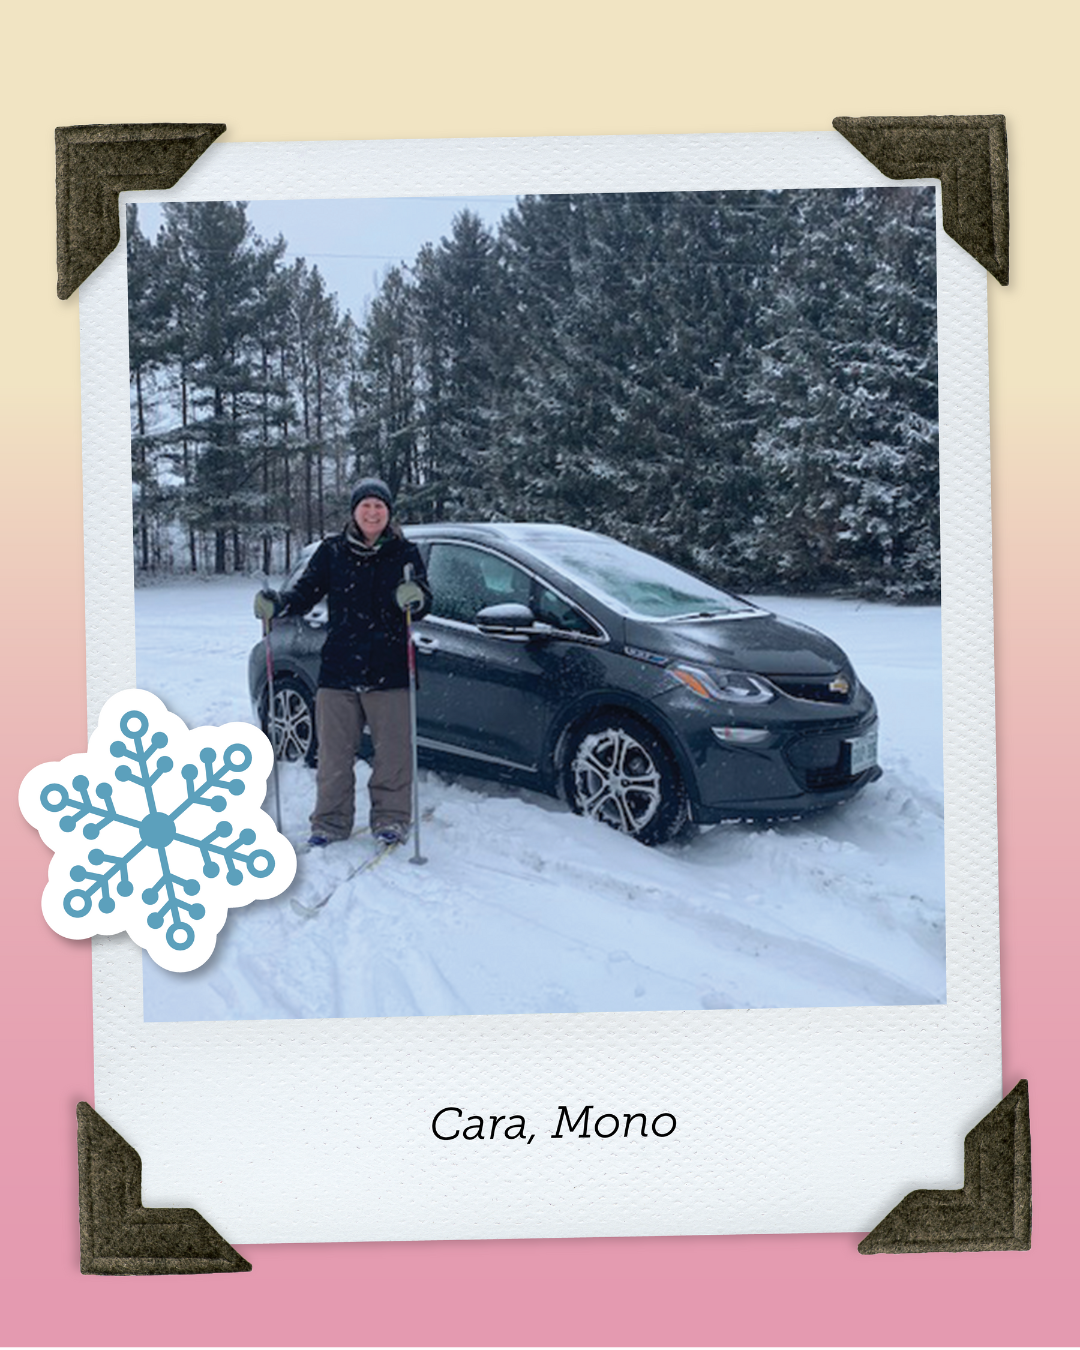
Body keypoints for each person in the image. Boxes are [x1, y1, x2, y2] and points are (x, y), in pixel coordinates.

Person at [254, 478, 431, 848]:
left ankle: (392, 819)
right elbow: (305, 593)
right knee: (334, 756)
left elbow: (425, 599)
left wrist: (416, 599)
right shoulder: (332, 551)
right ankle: (331, 822)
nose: (372, 512)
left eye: (379, 506)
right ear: (354, 511)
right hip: (339, 670)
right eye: (365, 506)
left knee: (394, 756)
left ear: (388, 513)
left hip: (390, 669)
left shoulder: (405, 553)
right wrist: (279, 604)